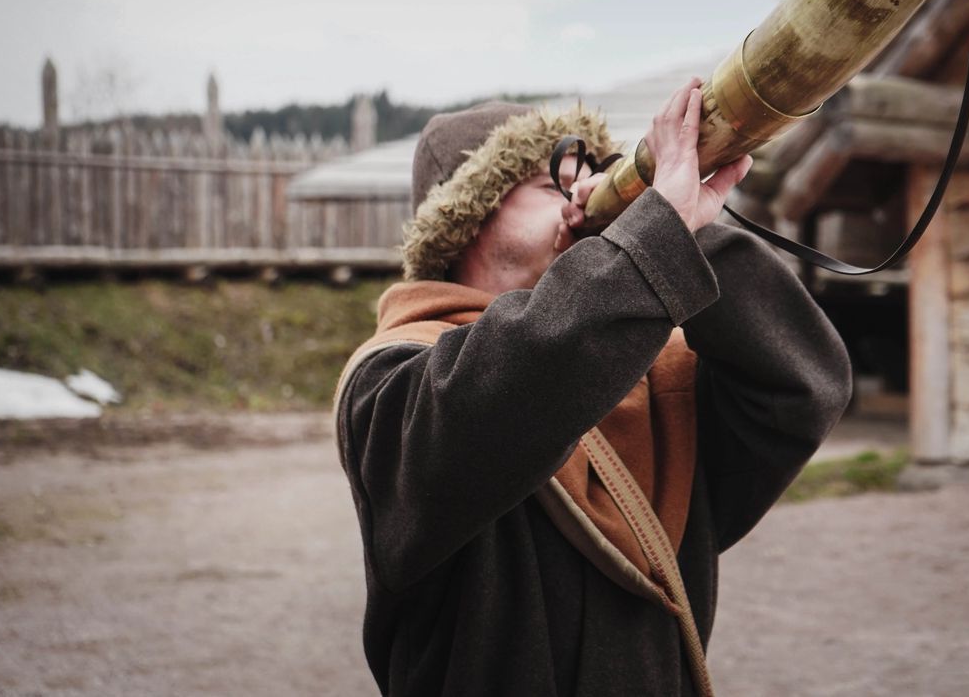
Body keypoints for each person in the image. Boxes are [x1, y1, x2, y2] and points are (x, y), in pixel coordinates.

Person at [334, 77, 852, 696]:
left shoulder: (655, 375)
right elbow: (511, 383)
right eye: (551, 179)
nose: (587, 192)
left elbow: (805, 382)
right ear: (466, 221)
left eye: (597, 173)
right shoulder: (391, 377)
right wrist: (645, 246)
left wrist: (683, 232)